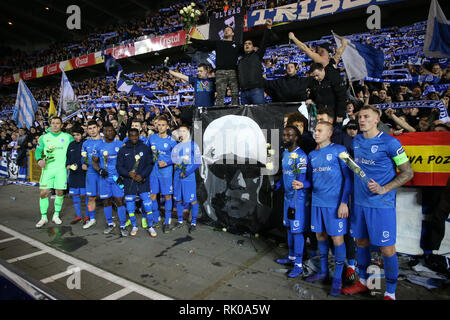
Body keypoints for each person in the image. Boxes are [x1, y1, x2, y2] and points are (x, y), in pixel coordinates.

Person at [342, 105, 413, 300]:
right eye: (359, 117)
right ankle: (364, 282)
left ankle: (390, 293)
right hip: (360, 203)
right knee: (361, 242)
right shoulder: (356, 140)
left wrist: (384, 188)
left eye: (366, 116)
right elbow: (359, 168)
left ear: (376, 120)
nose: (361, 120)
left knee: (386, 248)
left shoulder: (391, 143)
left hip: (381, 205)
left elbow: (408, 173)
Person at [306, 121, 352, 296]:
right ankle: (324, 272)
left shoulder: (341, 150)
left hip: (334, 204)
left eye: (319, 130)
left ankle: (338, 279)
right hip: (317, 203)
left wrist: (344, 202)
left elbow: (348, 179)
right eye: (315, 130)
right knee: (320, 237)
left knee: (337, 239)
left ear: (330, 132)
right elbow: (311, 180)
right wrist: (301, 183)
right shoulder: (312, 155)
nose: (315, 133)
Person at [275, 126, 310, 278]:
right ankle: (290, 257)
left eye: (289, 135)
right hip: (287, 197)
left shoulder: (301, 156)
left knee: (296, 231)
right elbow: (286, 175)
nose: (285, 137)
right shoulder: (284, 154)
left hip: (297, 199)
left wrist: (300, 184)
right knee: (289, 228)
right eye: (284, 134)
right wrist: (277, 184)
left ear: (296, 137)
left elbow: (301, 179)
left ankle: (298, 264)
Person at [35, 117, 74, 228]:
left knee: (59, 192)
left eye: (58, 123)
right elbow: (38, 151)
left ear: (62, 125)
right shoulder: (43, 138)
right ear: (50, 124)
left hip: (61, 170)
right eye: (53, 123)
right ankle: (43, 217)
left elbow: (74, 149)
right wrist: (39, 159)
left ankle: (56, 215)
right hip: (47, 169)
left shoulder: (68, 137)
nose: (55, 125)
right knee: (43, 193)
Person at [188, 26, 241, 106]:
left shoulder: (237, 45)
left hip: (232, 72)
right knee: (220, 95)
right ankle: (219, 113)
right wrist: (191, 39)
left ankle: (236, 112)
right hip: (220, 72)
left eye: (228, 30)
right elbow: (204, 43)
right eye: (225, 30)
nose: (226, 31)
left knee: (235, 93)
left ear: (233, 33)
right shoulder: (218, 43)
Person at [117, 128, 155, 237]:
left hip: (142, 181)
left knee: (147, 205)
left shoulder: (145, 148)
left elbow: (150, 164)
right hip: (129, 182)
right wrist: (128, 173)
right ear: (128, 136)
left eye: (136, 135)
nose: (134, 138)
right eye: (131, 135)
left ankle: (150, 226)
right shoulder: (123, 150)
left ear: (139, 136)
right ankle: (134, 226)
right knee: (130, 206)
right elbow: (119, 167)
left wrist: (142, 175)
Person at [91, 122, 128, 235]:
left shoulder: (121, 144)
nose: (109, 132)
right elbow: (94, 161)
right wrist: (99, 170)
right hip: (104, 178)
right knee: (106, 201)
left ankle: (123, 225)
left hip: (117, 178)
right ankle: (110, 223)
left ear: (114, 131)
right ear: (103, 132)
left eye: (111, 130)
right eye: (107, 130)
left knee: (119, 201)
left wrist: (123, 175)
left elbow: (126, 162)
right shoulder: (98, 146)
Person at [146, 116, 178, 233]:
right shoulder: (152, 138)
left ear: (167, 127)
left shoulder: (171, 141)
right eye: (158, 125)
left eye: (163, 125)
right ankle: (156, 217)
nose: (160, 127)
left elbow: (177, 157)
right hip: (153, 172)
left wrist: (167, 162)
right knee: (153, 195)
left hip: (166, 172)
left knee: (167, 196)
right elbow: (146, 151)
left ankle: (167, 220)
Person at [171, 124, 201, 233]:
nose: (181, 133)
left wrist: (187, 172)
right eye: (180, 131)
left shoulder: (193, 145)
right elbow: (173, 160)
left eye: (184, 131)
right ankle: (179, 221)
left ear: (188, 132)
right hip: (177, 176)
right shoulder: (176, 146)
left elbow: (198, 162)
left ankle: (193, 222)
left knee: (192, 200)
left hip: (188, 177)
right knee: (178, 199)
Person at [238, 19, 275, 105]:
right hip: (243, 93)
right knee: (246, 117)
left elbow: (264, 42)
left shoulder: (257, 55)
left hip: (256, 91)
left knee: (259, 114)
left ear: (253, 47)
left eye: (249, 44)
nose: (247, 45)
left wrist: (268, 28)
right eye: (245, 44)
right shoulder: (240, 60)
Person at [81, 120, 103, 229]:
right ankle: (92, 218)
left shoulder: (105, 141)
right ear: (87, 130)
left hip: (104, 173)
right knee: (91, 197)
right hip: (91, 173)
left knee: (111, 198)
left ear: (98, 128)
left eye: (94, 127)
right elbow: (83, 158)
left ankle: (113, 220)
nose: (93, 130)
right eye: (90, 128)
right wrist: (83, 163)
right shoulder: (85, 144)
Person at [66, 126, 89, 225]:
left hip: (84, 175)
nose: (76, 137)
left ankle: (88, 216)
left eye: (78, 135)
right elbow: (67, 158)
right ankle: (79, 216)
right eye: (74, 135)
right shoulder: (71, 145)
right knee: (75, 196)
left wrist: (86, 165)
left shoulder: (86, 144)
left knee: (86, 197)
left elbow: (90, 158)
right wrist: (67, 165)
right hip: (73, 175)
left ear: (82, 134)